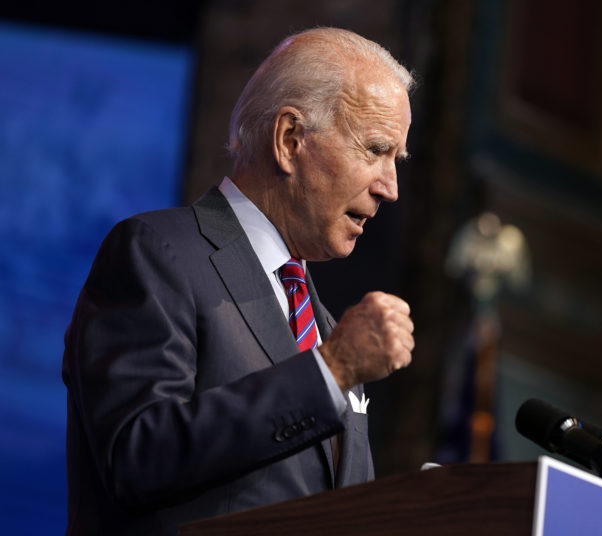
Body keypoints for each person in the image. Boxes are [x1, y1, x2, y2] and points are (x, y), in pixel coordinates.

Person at [62, 27, 415, 535]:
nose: (391, 188)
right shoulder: (157, 253)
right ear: (290, 140)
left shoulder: (322, 325)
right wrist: (331, 371)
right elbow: (136, 455)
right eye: (375, 149)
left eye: (396, 161)